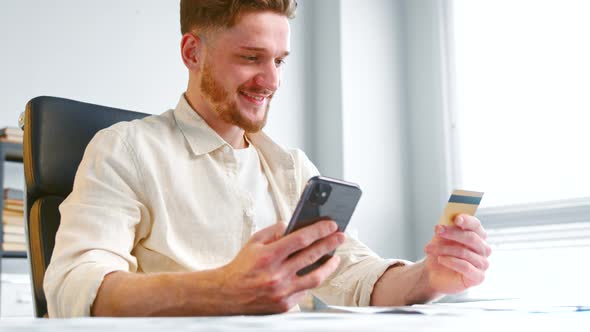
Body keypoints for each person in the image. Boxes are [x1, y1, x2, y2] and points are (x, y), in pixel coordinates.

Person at [44, 0, 491, 317]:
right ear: (192, 52)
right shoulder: (125, 149)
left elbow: (352, 274)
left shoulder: (291, 168)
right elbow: (71, 287)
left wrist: (430, 277)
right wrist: (221, 290)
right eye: (251, 58)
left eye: (280, 60)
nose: (271, 80)